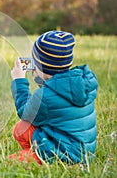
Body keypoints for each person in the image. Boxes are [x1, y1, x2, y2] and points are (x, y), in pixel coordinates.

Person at [9, 30, 98, 165]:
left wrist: (19, 80)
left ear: (41, 67)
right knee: (20, 129)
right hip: (85, 150)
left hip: (64, 154)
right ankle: (37, 152)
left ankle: (41, 159)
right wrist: (42, 78)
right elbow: (55, 103)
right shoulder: (82, 83)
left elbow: (24, 112)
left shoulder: (45, 97)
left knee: (11, 162)